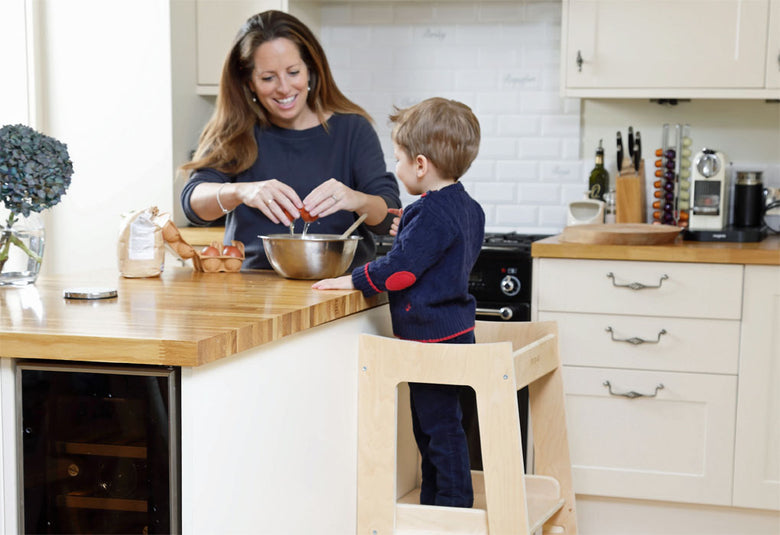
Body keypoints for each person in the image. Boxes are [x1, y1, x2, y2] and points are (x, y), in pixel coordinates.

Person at [313, 97, 485, 508]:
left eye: (399, 160)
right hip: (455, 334)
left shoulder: (430, 214)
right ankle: (436, 503)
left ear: (421, 165)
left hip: (431, 342)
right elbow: (435, 251)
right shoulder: (466, 206)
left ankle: (452, 509)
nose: (397, 168)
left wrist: (352, 280)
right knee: (440, 427)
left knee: (437, 430)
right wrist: (409, 225)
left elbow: (403, 271)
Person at [180, 10, 401, 269]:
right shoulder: (235, 130)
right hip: (251, 291)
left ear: (310, 69)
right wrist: (242, 191)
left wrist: (357, 199)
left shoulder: (352, 129)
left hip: (339, 288)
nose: (284, 88)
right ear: (249, 82)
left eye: (293, 72)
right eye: (268, 78)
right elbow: (193, 203)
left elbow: (389, 219)